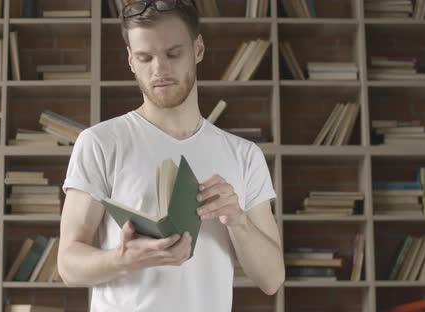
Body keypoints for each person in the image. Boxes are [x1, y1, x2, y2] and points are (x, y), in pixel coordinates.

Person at [57, 0, 285, 311]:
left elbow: (271, 279)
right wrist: (121, 260)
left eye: (173, 54)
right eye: (144, 57)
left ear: (198, 49)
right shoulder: (100, 143)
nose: (159, 69)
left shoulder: (244, 155)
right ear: (130, 61)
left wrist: (239, 221)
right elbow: (68, 265)